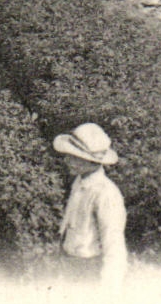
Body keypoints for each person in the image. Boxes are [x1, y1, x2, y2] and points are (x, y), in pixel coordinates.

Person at [52, 122, 127, 291]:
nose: (67, 160)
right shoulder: (80, 181)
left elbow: (114, 247)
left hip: (88, 270)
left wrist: (109, 289)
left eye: (74, 156)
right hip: (68, 263)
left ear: (90, 161)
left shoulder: (106, 195)